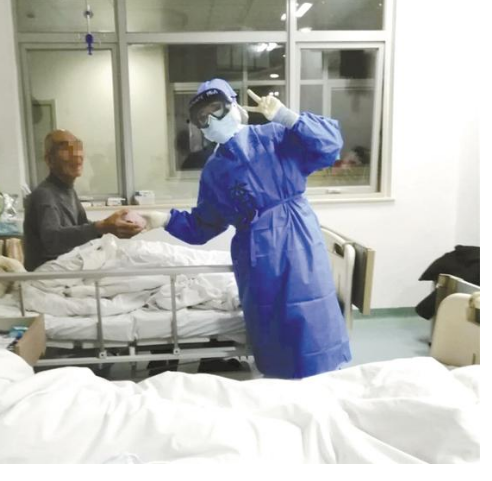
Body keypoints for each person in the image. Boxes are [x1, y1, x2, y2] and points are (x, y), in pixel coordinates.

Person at [141, 79, 352, 379]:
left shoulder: (275, 136)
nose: (211, 120)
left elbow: (330, 145)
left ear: (234, 106)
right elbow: (203, 225)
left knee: (311, 319)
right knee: (271, 327)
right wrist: (163, 219)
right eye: (202, 117)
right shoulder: (215, 171)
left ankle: (322, 385)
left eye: (216, 109)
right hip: (256, 256)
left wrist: (288, 117)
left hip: (298, 240)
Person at [23, 129, 143, 271]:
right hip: (49, 275)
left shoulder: (67, 191)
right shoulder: (44, 195)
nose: (77, 155)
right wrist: (101, 227)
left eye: (78, 148)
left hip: (68, 268)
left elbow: (83, 227)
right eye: (66, 149)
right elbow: (52, 240)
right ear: (49, 160)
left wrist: (113, 226)